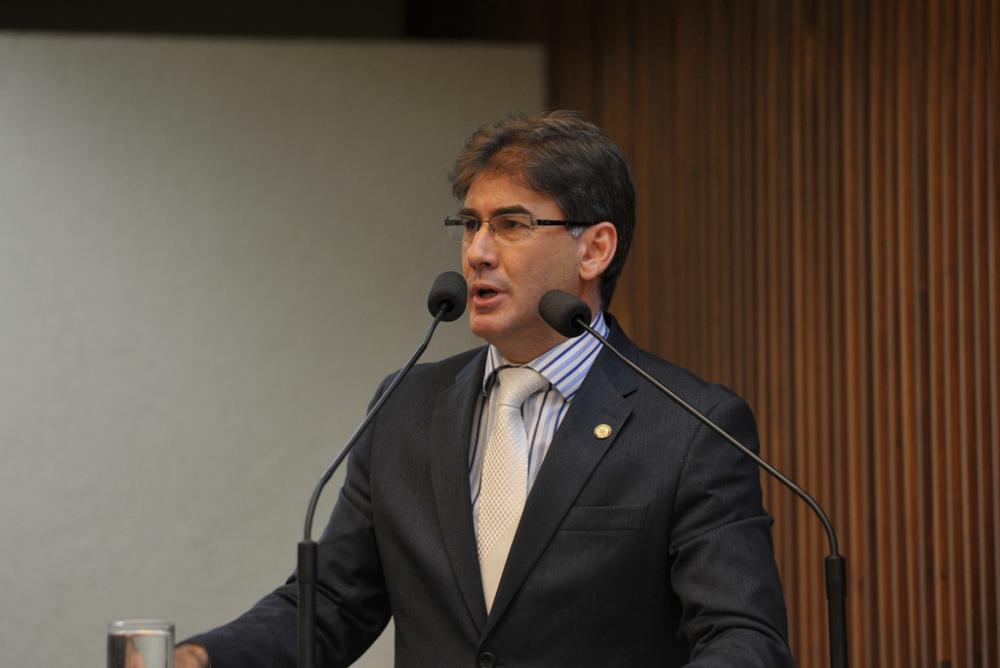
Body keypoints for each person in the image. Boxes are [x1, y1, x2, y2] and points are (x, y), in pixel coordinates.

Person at [176, 111, 795, 667]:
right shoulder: (405, 408)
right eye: (470, 224)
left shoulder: (689, 426)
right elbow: (333, 604)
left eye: (510, 224)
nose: (476, 252)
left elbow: (743, 638)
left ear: (595, 249)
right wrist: (200, 659)